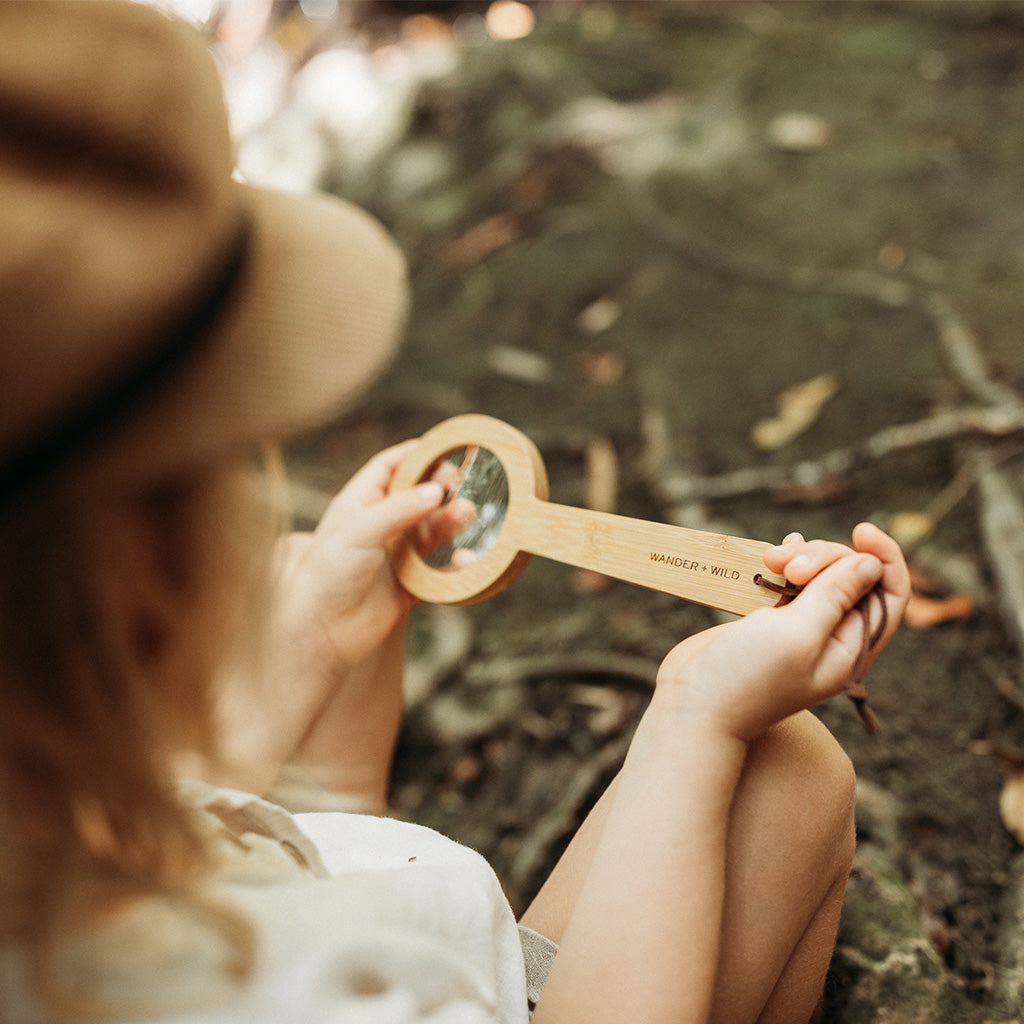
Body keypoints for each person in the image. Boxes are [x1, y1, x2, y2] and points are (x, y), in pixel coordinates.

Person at [0, 3, 910, 1023]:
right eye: (233, 451)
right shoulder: (270, 998)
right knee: (790, 770)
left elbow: (220, 825)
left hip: (350, 912)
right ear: (143, 573)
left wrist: (311, 642)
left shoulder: (44, 830)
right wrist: (698, 715)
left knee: (311, 580)